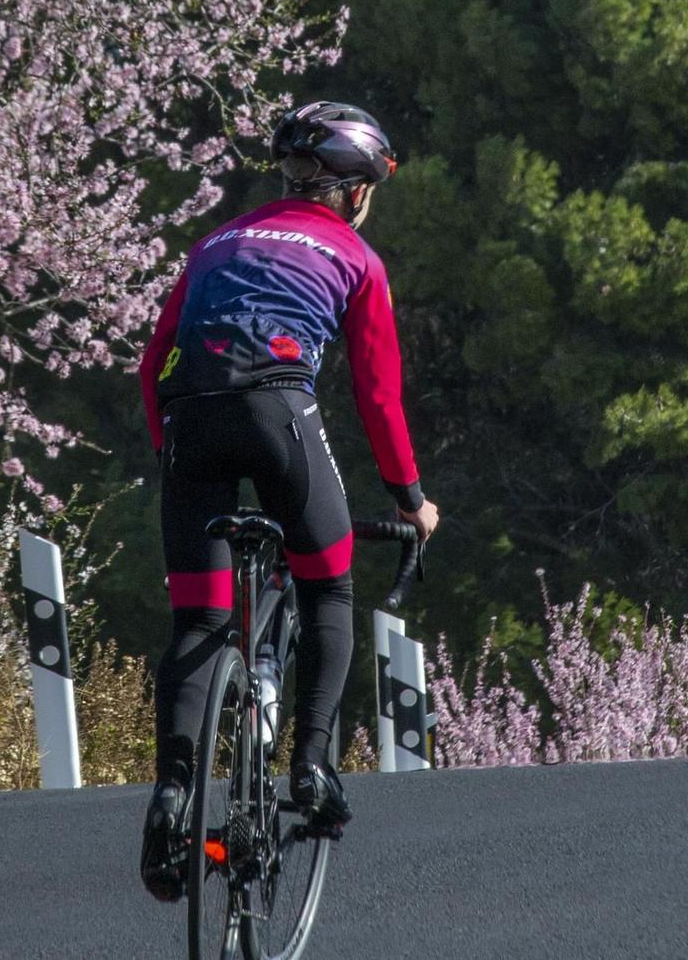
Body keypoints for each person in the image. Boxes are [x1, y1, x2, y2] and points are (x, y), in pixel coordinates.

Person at [136, 100, 441, 903]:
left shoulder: (216, 241)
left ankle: (172, 794)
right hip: (279, 415)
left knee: (199, 622)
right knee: (329, 582)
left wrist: (171, 449)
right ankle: (309, 764)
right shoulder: (356, 256)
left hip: (190, 420)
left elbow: (153, 361)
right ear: (353, 189)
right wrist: (410, 500)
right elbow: (378, 396)